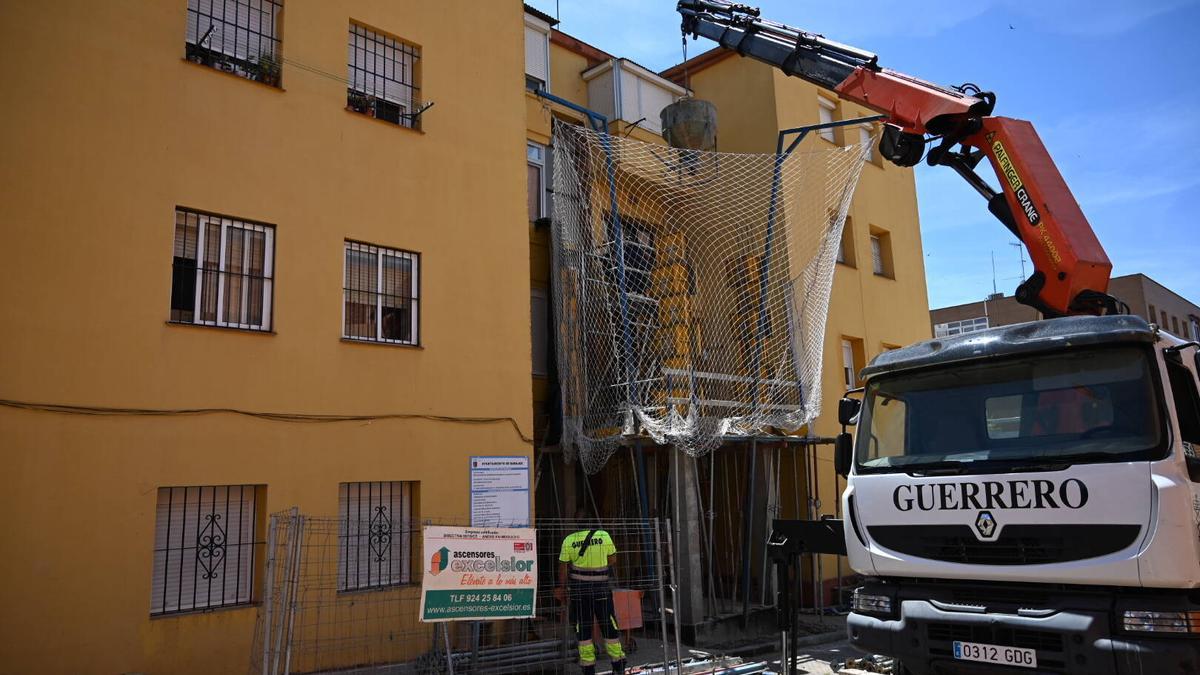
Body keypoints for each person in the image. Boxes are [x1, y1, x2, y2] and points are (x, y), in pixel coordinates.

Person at [557, 511, 626, 675]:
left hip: (579, 592)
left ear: (576, 524)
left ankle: (588, 668)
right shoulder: (604, 536)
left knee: (583, 627)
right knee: (608, 625)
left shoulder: (569, 540)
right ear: (592, 523)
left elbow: (563, 568)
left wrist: (561, 587)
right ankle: (618, 665)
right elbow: (613, 559)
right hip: (601, 589)